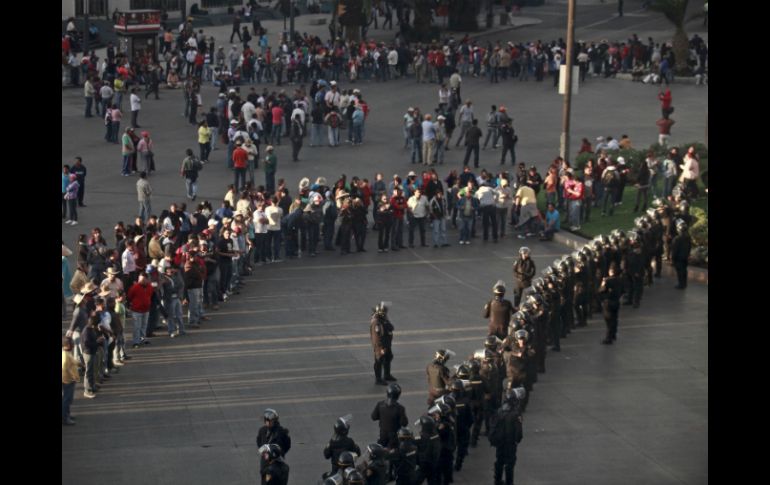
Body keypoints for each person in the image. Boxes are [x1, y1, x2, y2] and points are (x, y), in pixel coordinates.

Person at [489, 389, 524, 485]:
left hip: (500, 441)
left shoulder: (500, 410)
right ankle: (509, 482)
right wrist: (517, 440)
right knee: (510, 463)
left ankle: (497, 480)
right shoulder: (516, 413)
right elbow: (518, 432)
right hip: (510, 443)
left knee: (499, 461)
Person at [371, 383, 408, 448]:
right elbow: (404, 423)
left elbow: (373, 417)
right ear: (398, 395)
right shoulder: (400, 408)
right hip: (394, 437)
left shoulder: (380, 404)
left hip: (382, 435)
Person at [370, 302, 397, 385]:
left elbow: (391, 327)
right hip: (381, 346)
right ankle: (378, 379)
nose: (386, 313)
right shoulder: (376, 322)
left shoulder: (383, 319)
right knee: (379, 360)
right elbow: (376, 337)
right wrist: (381, 348)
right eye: (384, 311)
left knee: (388, 357)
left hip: (386, 344)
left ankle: (387, 375)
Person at [599, 263, 623, 344]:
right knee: (614, 319)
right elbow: (623, 290)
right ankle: (613, 334)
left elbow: (601, 290)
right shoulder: (620, 280)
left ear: (611, 271)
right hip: (616, 301)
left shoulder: (607, 280)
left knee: (609, 321)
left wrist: (603, 283)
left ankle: (608, 338)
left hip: (608, 302)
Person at [62, 336, 80, 424]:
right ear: (68, 345)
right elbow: (64, 367)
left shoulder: (66, 353)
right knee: (67, 399)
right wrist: (73, 377)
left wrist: (79, 363)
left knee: (67, 399)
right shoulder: (65, 355)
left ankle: (67, 414)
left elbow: (72, 361)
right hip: (68, 380)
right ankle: (65, 418)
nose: (73, 345)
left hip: (68, 380)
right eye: (72, 343)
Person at [671, 219, 692, 289]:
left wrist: (672, 258)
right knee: (684, 270)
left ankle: (681, 284)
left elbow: (674, 250)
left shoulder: (677, 239)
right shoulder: (688, 237)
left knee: (679, 271)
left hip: (678, 258)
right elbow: (689, 247)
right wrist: (688, 254)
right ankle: (684, 283)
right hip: (685, 257)